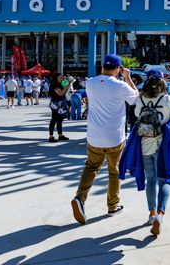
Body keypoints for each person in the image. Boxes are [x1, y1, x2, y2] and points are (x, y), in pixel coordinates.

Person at [71, 54, 139, 225]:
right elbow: (136, 100)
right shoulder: (120, 85)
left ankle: (80, 198)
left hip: (94, 136)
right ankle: (112, 205)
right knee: (114, 171)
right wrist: (128, 78)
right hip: (115, 136)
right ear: (118, 69)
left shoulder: (90, 83)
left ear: (102, 67)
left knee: (91, 167)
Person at [122, 69, 170, 236]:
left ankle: (152, 213)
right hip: (164, 146)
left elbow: (136, 117)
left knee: (151, 180)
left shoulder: (140, 99)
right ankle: (161, 216)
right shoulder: (168, 99)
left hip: (145, 144)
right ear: (162, 82)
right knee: (163, 180)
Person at [48, 73, 71, 143]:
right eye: (60, 77)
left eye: (62, 77)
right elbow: (60, 93)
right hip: (55, 104)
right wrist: (66, 87)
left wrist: (68, 85)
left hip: (60, 104)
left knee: (60, 119)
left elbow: (63, 93)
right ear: (56, 78)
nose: (62, 78)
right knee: (54, 119)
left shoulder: (59, 84)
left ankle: (60, 135)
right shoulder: (54, 85)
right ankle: (51, 136)